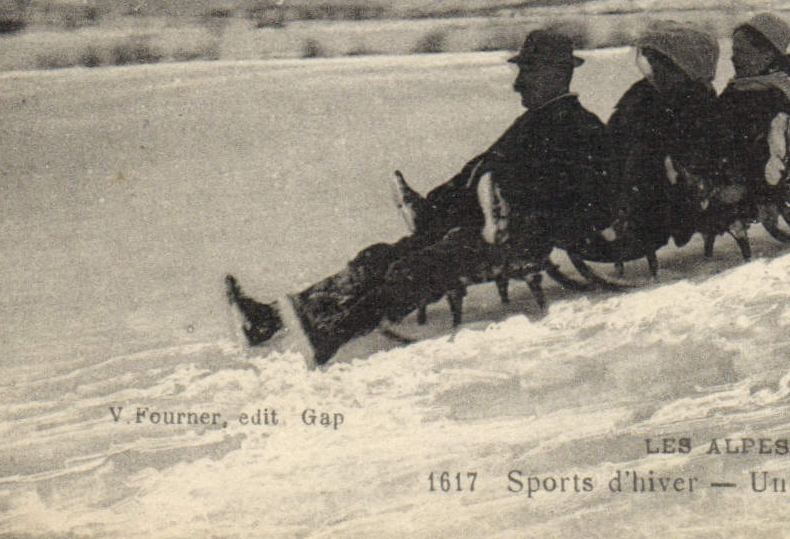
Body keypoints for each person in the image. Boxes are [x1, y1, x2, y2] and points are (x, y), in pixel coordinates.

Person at [225, 29, 610, 365]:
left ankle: (332, 334)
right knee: (380, 257)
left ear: (556, 73)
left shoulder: (581, 130)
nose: (518, 83)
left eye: (527, 72)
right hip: (476, 226)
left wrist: (516, 219)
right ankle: (271, 318)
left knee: (419, 267)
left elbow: (588, 205)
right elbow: (479, 173)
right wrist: (437, 206)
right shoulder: (532, 123)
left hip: (519, 239)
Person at [606, 21, 737, 257]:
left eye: (660, 63)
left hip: (676, 191)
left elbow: (693, 154)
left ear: (679, 66)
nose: (655, 71)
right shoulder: (645, 95)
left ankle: (637, 229)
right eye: (652, 63)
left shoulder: (695, 101)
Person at [718, 14, 790, 257]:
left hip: (753, 167)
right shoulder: (737, 88)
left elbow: (774, 141)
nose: (734, 58)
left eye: (742, 51)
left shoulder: (773, 91)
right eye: (734, 51)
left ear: (768, 55)